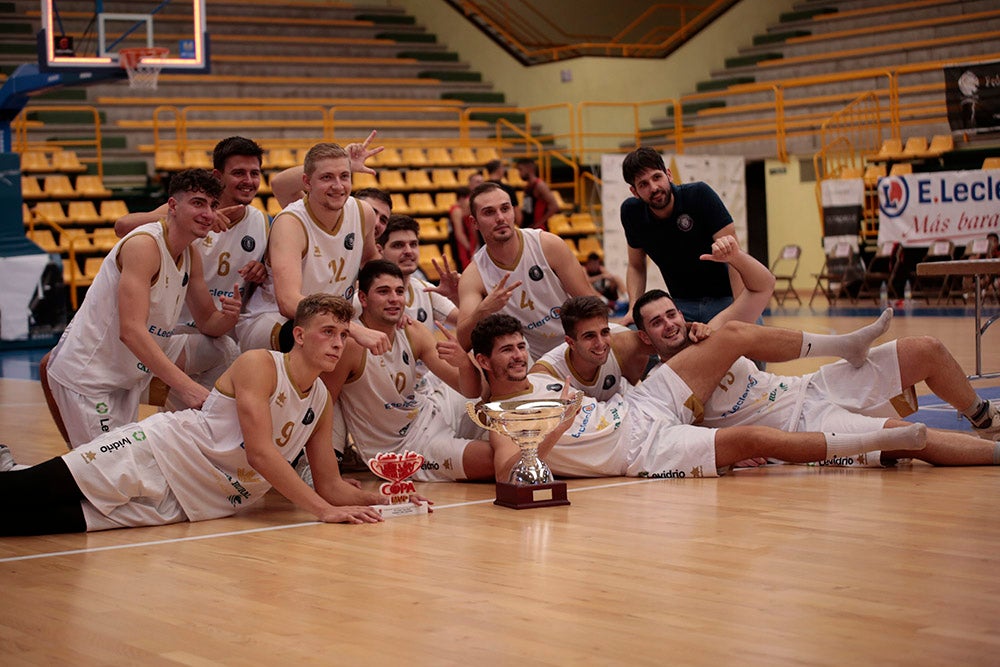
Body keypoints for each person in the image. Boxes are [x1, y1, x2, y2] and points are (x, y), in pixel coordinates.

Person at [0, 294, 419, 536]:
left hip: (197, 499)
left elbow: (329, 483)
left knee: (34, 524)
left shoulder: (321, 401)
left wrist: (385, 498)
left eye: (344, 336)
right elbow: (260, 454)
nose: (337, 343)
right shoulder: (260, 363)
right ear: (300, 335)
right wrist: (322, 511)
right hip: (160, 452)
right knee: (26, 493)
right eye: (328, 332)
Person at [472, 313, 927, 481]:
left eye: (519, 345)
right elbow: (510, 475)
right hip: (642, 452)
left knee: (728, 335)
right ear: (484, 361)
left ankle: (844, 345)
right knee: (754, 439)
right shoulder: (497, 416)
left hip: (640, 406)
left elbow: (621, 340)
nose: (517, 355)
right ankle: (883, 440)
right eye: (505, 350)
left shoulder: (541, 374)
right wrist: (559, 428)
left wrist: (677, 333)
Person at [42, 170, 242, 448]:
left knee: (224, 350)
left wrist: (230, 316)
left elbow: (208, 321)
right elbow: (131, 332)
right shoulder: (144, 245)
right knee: (113, 482)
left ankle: (190, 437)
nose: (208, 213)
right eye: (198, 203)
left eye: (213, 205)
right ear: (172, 206)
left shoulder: (190, 252)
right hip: (91, 378)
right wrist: (188, 387)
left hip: (130, 369)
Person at [112, 136, 270, 399]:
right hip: (173, 327)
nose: (248, 180)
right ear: (218, 176)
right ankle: (151, 389)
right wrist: (198, 218)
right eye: (238, 173)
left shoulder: (263, 222)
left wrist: (262, 270)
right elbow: (123, 226)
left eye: (254, 173)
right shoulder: (188, 210)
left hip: (218, 328)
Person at [321, 260, 493, 481]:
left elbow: (469, 390)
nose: (394, 298)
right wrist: (329, 475)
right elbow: (323, 409)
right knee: (497, 460)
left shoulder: (413, 330)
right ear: (362, 299)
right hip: (408, 448)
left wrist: (464, 363)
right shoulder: (350, 346)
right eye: (383, 292)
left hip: (431, 409)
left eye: (399, 291)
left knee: (506, 362)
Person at [236, 142, 388, 354]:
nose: (338, 186)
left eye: (344, 176)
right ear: (307, 182)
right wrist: (348, 328)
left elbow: (371, 260)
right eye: (327, 177)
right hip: (274, 320)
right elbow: (288, 302)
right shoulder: (290, 222)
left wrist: (392, 298)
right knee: (339, 343)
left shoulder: (363, 213)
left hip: (330, 321)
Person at [455, 181, 598, 358]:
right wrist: (484, 310)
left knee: (627, 339)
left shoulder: (548, 245)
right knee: (479, 361)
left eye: (505, 209)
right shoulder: (473, 275)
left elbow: (591, 303)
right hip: (531, 362)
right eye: (489, 212)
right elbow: (463, 341)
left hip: (577, 345)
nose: (500, 217)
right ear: (474, 222)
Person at [619, 146, 745, 325]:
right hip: (679, 307)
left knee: (753, 346)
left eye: (657, 177)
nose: (654, 188)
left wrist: (739, 307)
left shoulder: (699, 195)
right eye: (643, 184)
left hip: (726, 298)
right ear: (634, 192)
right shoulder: (631, 212)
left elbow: (735, 257)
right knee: (630, 339)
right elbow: (636, 266)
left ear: (668, 175)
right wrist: (633, 309)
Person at [377, 214, 459, 328]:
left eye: (413, 244)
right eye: (398, 245)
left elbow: (468, 322)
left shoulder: (426, 290)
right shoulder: (366, 296)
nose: (408, 251)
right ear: (379, 250)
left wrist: (456, 297)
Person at [515, 157, 560, 231]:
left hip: (538, 229)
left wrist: (539, 223)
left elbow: (554, 206)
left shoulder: (539, 185)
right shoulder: (528, 186)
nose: (519, 173)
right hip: (528, 227)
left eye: (520, 169)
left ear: (529, 168)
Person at [484, 158, 523, 227]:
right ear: (499, 169)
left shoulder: (482, 188)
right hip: (504, 226)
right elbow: (517, 213)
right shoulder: (508, 189)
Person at [447, 186, 477, 270]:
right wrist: (469, 248)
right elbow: (459, 233)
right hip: (461, 245)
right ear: (462, 198)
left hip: (466, 242)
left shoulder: (462, 210)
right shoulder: (456, 211)